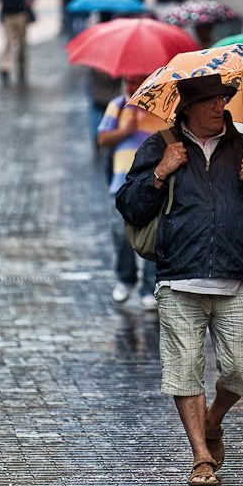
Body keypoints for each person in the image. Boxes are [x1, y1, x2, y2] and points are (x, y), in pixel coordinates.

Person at [116, 74, 243, 486]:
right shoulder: (159, 145)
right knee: (184, 370)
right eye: (208, 101)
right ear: (187, 107)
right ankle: (201, 456)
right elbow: (129, 207)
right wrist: (158, 173)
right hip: (179, 276)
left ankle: (213, 419)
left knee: (241, 369)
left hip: (237, 277)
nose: (217, 107)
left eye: (221, 99)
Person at [97, 74, 161, 311]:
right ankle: (126, 278)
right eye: (129, 82)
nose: (132, 87)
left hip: (153, 184)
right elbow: (102, 138)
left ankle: (149, 287)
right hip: (121, 184)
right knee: (120, 233)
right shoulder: (117, 105)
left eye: (137, 82)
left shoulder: (160, 106)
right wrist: (126, 130)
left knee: (154, 235)